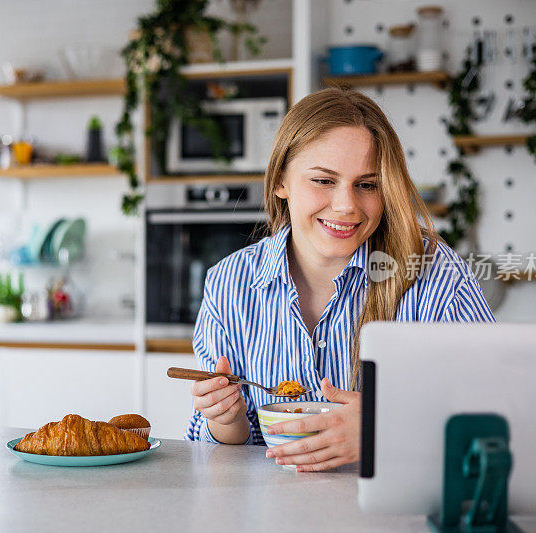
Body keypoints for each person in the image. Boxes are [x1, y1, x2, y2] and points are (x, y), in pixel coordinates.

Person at [184, 87, 494, 471]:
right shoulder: (229, 283)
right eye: (323, 181)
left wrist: (388, 428)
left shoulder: (434, 272)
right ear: (281, 181)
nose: (346, 205)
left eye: (367, 184)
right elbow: (218, 461)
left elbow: (494, 414)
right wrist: (225, 421)